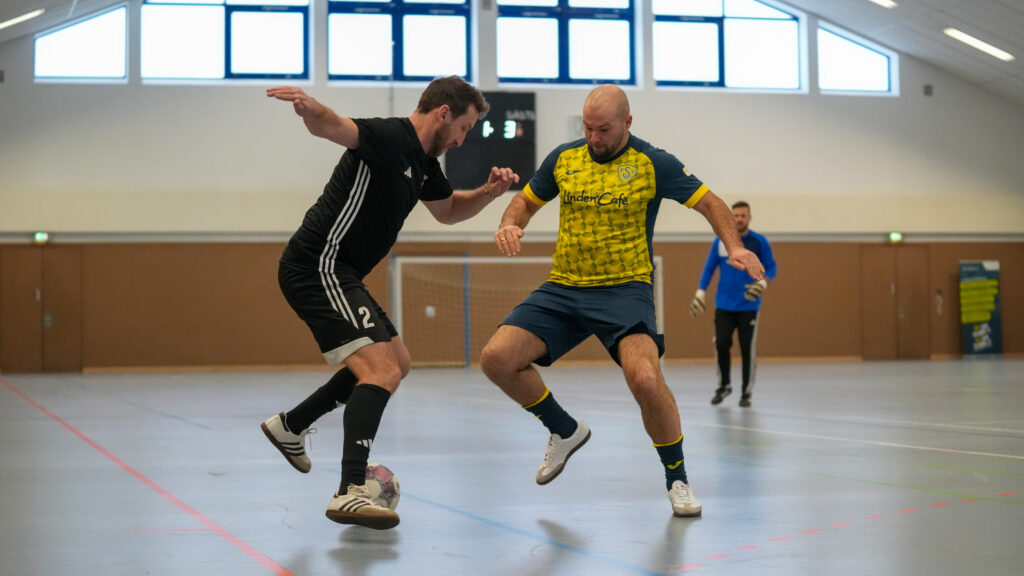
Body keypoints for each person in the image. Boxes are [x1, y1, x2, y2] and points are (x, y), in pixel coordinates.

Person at [479, 85, 764, 518]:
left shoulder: (653, 163)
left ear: (628, 123)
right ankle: (564, 429)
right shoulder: (564, 158)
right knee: (496, 358)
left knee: (646, 380)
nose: (594, 139)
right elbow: (525, 201)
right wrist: (509, 223)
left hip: (624, 290)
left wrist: (734, 247)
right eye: (588, 128)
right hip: (565, 287)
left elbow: (710, 202)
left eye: (604, 130)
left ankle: (678, 480)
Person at [261, 77, 519, 530]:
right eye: (464, 128)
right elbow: (334, 126)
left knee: (397, 361)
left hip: (343, 273)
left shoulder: (423, 165)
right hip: (318, 264)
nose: (461, 140)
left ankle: (292, 425)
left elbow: (448, 212)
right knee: (379, 370)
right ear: (443, 113)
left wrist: (489, 192)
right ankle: (349, 491)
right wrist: (310, 108)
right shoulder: (388, 137)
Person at [690, 201, 776, 408]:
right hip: (724, 304)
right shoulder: (720, 243)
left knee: (747, 348)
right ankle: (724, 385)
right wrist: (700, 294)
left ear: (749, 218)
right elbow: (709, 268)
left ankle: (746, 392)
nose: (739, 219)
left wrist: (762, 284)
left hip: (749, 305)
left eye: (742, 216)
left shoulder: (759, 241)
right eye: (735, 215)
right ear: (731, 217)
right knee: (721, 344)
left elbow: (772, 267)